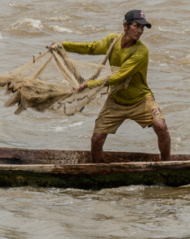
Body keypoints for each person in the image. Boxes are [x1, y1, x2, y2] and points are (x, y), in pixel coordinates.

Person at [52, 10, 170, 163]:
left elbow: (119, 76)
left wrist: (89, 84)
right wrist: (63, 46)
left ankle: (168, 164)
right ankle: (98, 171)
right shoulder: (111, 41)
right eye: (136, 26)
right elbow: (91, 48)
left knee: (161, 127)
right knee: (96, 140)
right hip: (116, 100)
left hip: (141, 100)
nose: (140, 31)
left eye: (143, 28)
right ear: (125, 26)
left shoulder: (141, 51)